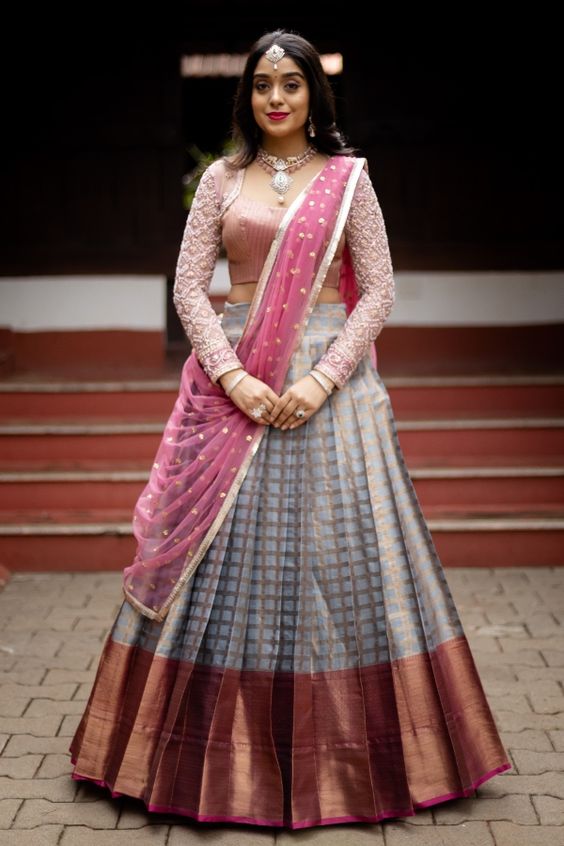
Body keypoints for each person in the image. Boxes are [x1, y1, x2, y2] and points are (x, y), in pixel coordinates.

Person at [68, 29, 511, 830]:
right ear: (247, 96)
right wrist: (233, 376)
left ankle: (362, 761)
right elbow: (190, 288)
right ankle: (191, 754)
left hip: (331, 392)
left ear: (314, 95)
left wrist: (318, 378)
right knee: (226, 557)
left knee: (343, 560)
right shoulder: (221, 179)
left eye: (292, 84)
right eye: (264, 84)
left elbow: (377, 292)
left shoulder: (348, 180)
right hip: (237, 381)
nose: (277, 97)